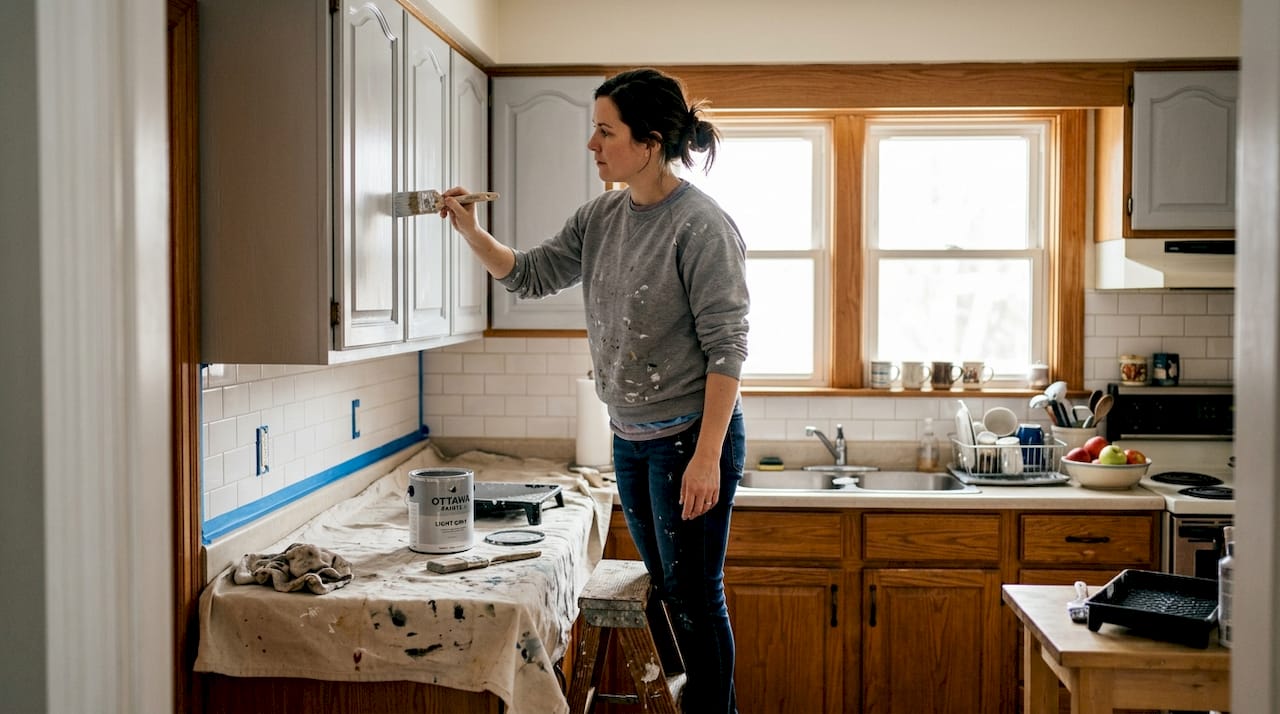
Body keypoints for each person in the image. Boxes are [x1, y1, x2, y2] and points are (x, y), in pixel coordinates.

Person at [439, 67, 749, 714]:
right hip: (630, 439)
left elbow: (728, 349)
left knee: (696, 596)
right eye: (594, 130)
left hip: (690, 440)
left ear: (650, 142)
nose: (592, 145)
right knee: (668, 589)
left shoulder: (700, 226)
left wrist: (707, 458)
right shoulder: (601, 217)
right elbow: (528, 275)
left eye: (606, 131)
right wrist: (470, 231)